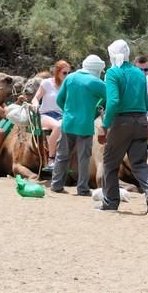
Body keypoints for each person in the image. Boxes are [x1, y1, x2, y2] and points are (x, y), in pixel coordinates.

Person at [97, 40, 148, 214]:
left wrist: (104, 125)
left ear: (112, 54)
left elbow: (113, 101)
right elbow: (144, 101)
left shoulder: (112, 73)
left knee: (110, 163)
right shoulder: (140, 73)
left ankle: (110, 203)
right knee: (140, 163)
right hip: (141, 120)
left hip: (121, 122)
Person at [51, 55, 106, 196]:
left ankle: (56, 185)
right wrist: (96, 109)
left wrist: (68, 112)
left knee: (62, 155)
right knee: (84, 157)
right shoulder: (96, 82)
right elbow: (110, 98)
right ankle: (82, 188)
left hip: (68, 122)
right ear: (97, 69)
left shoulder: (70, 78)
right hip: (85, 125)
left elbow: (59, 99)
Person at [32, 60, 71, 169]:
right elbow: (36, 98)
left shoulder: (68, 85)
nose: (67, 75)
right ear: (57, 72)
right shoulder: (47, 83)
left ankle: (67, 158)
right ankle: (51, 158)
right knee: (58, 126)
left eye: (68, 73)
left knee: (68, 125)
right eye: (64, 73)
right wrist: (35, 104)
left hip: (60, 115)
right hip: (45, 114)